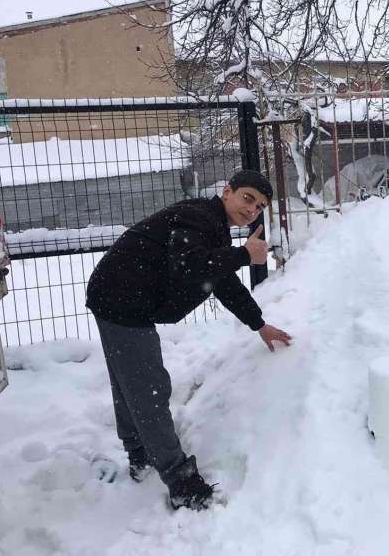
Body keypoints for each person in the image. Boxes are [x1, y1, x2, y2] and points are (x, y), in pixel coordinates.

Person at [86, 170, 292, 509]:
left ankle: (140, 455)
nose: (252, 209)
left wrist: (259, 325)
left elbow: (222, 281)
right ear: (227, 192)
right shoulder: (197, 217)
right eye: (247, 198)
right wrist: (244, 255)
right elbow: (188, 266)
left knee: (131, 384)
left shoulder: (213, 228)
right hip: (122, 297)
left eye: (260, 206)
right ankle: (181, 482)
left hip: (118, 295)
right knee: (147, 387)